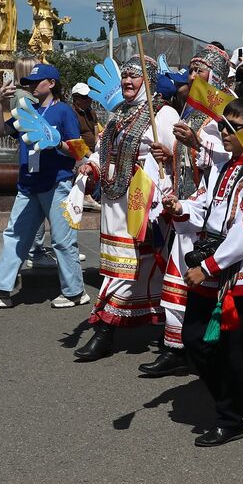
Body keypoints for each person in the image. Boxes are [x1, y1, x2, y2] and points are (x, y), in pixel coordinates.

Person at [161, 97, 243, 446]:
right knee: (194, 339)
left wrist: (210, 265)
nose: (222, 132)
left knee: (231, 349)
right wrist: (181, 208)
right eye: (223, 125)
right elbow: (206, 206)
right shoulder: (226, 167)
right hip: (210, 264)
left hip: (234, 272)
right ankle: (237, 396)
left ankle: (230, 420)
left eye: (231, 128)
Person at [72, 56, 177, 362]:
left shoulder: (164, 114)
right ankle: (169, 328)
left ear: (149, 81)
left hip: (143, 204)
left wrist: (166, 156)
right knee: (132, 269)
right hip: (114, 203)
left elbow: (178, 158)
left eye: (135, 77)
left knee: (128, 269)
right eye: (126, 77)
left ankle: (105, 331)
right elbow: (104, 148)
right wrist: (91, 166)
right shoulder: (120, 113)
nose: (128, 82)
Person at [0, 63, 88, 311]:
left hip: (56, 182)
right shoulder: (27, 110)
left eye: (37, 81)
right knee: (15, 236)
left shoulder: (64, 111)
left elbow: (79, 151)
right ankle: (0, 290)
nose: (32, 86)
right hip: (28, 184)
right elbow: (0, 130)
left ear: (52, 83)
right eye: (30, 82)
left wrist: (56, 143)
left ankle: (75, 292)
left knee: (63, 241)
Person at [151, 46, 234, 376]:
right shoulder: (193, 109)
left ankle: (201, 346)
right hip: (190, 202)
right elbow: (188, 152)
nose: (191, 76)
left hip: (215, 208)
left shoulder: (227, 107)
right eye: (190, 70)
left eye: (199, 70)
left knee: (204, 278)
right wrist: (169, 151)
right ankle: (176, 344)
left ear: (213, 75)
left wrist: (197, 144)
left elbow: (236, 154)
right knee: (177, 274)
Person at [71, 82, 100, 152]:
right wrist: (91, 156)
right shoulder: (71, 114)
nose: (89, 99)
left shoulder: (91, 112)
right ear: (76, 98)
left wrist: (98, 148)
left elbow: (96, 130)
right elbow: (77, 141)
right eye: (85, 97)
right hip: (82, 154)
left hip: (94, 151)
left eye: (90, 96)